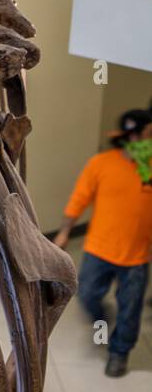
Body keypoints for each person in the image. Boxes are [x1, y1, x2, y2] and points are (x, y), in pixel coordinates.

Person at [54, 108, 152, 377]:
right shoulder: (101, 163)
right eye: (147, 134)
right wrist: (64, 232)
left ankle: (119, 353)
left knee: (130, 308)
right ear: (131, 137)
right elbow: (79, 200)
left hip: (136, 255)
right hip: (98, 249)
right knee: (87, 295)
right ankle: (101, 316)